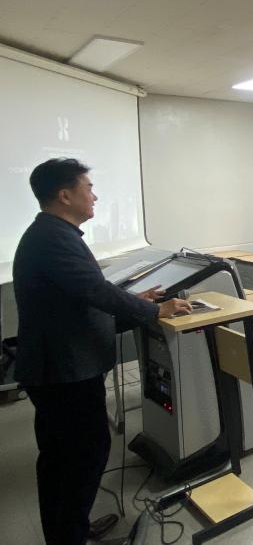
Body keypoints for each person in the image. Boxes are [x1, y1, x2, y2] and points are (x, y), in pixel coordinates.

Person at [13, 158, 191, 545]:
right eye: (88, 188)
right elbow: (94, 291)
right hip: (63, 372)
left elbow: (83, 296)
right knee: (78, 455)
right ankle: (69, 536)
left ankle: (72, 527)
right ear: (65, 195)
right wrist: (154, 310)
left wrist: (138, 301)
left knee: (67, 456)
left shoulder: (55, 234)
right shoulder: (53, 238)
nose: (94, 196)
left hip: (63, 368)